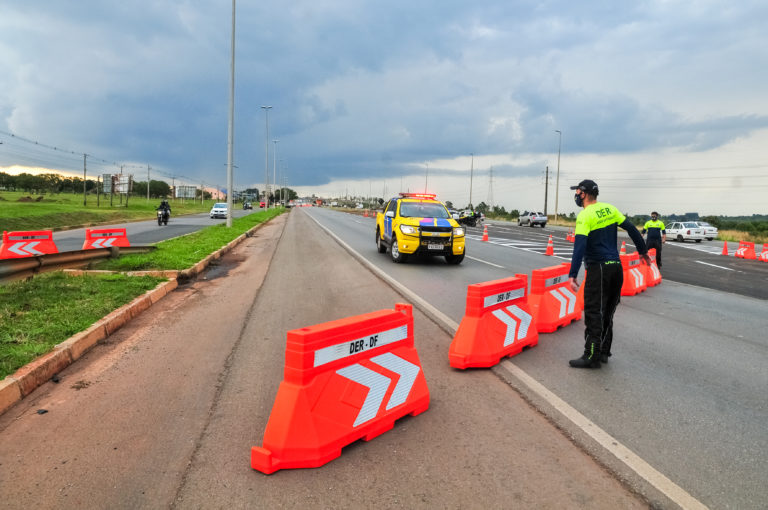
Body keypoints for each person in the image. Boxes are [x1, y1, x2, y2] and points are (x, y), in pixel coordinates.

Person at [567, 179, 650, 369]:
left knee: (594, 311)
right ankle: (603, 351)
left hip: (599, 268)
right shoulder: (610, 209)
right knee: (608, 312)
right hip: (616, 268)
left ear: (585, 194)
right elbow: (631, 229)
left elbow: (579, 246)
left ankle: (591, 356)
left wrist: (573, 273)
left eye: (578, 192)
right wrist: (643, 251)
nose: (576, 195)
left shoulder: (585, 216)